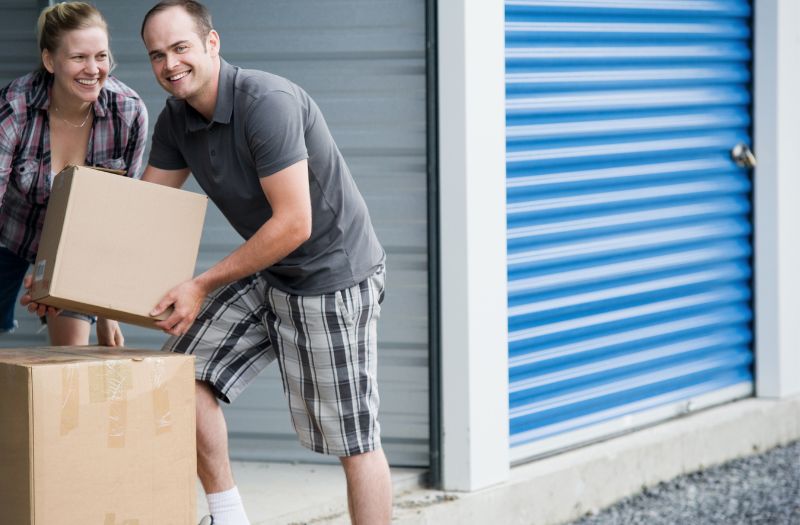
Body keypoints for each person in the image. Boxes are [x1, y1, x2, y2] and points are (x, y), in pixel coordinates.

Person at [138, 2, 391, 524]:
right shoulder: (177, 118)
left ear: (212, 43)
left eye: (181, 47)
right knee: (181, 373)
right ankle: (228, 516)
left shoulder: (265, 102)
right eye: (157, 55)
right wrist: (61, 276)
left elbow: (294, 223)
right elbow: (142, 210)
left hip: (330, 276)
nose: (170, 64)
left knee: (353, 438)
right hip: (270, 271)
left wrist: (201, 283)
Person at [1, 2, 147, 345]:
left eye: (101, 56)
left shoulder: (127, 113)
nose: (93, 69)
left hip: (75, 244)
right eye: (79, 57)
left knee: (72, 357)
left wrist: (106, 310)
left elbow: (121, 213)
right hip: (9, 234)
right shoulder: (14, 109)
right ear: (50, 61)